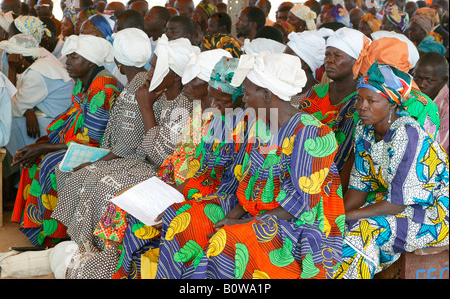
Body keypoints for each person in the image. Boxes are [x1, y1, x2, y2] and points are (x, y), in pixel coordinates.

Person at [156, 52, 345, 279]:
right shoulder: (259, 126)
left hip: (294, 227)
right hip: (250, 210)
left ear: (266, 94)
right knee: (179, 217)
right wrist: (234, 216)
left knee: (227, 242)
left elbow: (299, 205)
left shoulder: (312, 133)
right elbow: (244, 181)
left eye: (246, 94)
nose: (243, 100)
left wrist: (243, 223)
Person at [52, 35, 196, 265]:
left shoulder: (183, 105)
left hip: (163, 171)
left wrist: (145, 107)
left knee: (106, 186)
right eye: (151, 64)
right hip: (150, 162)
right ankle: (81, 245)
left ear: (176, 75)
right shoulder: (160, 93)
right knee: (88, 175)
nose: (149, 72)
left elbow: (158, 158)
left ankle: (99, 255)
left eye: (155, 66)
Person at [97, 50, 237, 279]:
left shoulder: (226, 123)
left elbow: (211, 175)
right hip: (175, 182)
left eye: (193, 81)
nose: (185, 86)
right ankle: (112, 264)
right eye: (186, 79)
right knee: (121, 201)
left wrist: (170, 190)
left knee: (139, 214)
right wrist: (159, 185)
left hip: (195, 190)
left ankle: (123, 269)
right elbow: (176, 160)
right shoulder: (200, 113)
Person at [334, 62, 449, 279]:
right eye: (359, 99)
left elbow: (398, 202)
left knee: (363, 231)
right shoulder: (365, 130)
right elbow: (358, 188)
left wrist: (348, 216)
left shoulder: (408, 135)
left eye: (372, 101)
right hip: (397, 206)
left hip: (434, 214)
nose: (362, 106)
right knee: (331, 225)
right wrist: (335, 215)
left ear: (392, 104)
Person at [10, 34, 121, 247]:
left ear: (90, 62)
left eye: (74, 57)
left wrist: (44, 147)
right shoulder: (83, 81)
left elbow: (91, 141)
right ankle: (39, 230)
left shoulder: (103, 88)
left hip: (100, 149)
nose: (67, 62)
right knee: (32, 153)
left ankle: (55, 238)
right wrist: (41, 145)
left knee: (50, 164)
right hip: (81, 141)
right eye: (68, 56)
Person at [300, 27, 371, 190]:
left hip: (339, 179)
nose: (329, 60)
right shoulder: (315, 93)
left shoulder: (362, 100)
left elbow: (353, 154)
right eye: (327, 55)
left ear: (357, 61)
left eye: (337, 55)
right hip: (304, 169)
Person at [0, 33, 74, 156]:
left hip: (59, 126)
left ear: (19, 57)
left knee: (10, 124)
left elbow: (12, 107)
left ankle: (18, 164)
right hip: (60, 119)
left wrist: (12, 69)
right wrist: (29, 112)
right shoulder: (44, 62)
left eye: (8, 56)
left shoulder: (36, 73)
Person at [414, 52, 449, 154]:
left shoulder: (446, 108)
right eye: (417, 77)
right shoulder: (412, 96)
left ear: (443, 80)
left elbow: (438, 152)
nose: (421, 84)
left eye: (428, 80)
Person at [285, 30, 326, 105]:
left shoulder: (319, 95)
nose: (283, 61)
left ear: (304, 65)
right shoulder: (283, 87)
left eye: (289, 58)